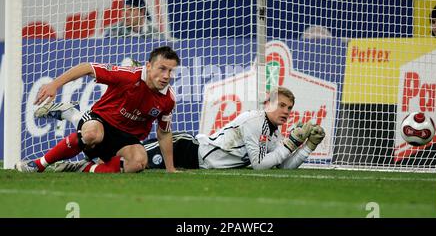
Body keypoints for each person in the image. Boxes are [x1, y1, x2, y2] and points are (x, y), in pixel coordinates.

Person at [41, 87, 325, 171]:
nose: (287, 112)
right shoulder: (255, 122)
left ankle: (78, 167)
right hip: (186, 149)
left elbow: (281, 167)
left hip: (197, 160)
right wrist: (291, 145)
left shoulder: (273, 132)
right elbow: (262, 166)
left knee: (123, 166)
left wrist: (306, 147)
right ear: (268, 104)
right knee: (121, 159)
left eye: (290, 108)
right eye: (283, 106)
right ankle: (73, 115)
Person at [15, 46, 180, 173]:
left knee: (138, 163)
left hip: (127, 138)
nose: (166, 76)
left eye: (171, 71)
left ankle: (82, 167)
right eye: (162, 68)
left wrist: (170, 169)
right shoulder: (128, 76)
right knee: (91, 134)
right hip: (102, 120)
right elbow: (88, 67)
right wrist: (54, 84)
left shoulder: (168, 99)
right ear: (149, 66)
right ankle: (39, 164)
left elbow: (164, 132)